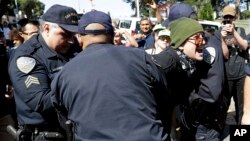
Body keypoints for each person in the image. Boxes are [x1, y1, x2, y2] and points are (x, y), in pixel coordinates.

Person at [50, 10, 170, 141]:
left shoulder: (64, 73)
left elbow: (64, 118)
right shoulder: (141, 57)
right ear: (112, 35)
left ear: (79, 37)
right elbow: (165, 98)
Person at [8, 4, 79, 140]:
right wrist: (83, 89)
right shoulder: (27, 57)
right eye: (65, 34)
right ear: (46, 28)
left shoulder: (71, 47)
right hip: (46, 135)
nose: (71, 40)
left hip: (72, 130)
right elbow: (41, 101)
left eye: (73, 35)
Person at [221, 6, 248, 125]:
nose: (228, 20)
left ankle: (239, 130)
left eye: (230, 17)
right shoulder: (219, 32)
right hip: (226, 74)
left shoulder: (241, 30)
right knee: (223, 105)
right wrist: (222, 37)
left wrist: (234, 32)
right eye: (226, 18)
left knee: (241, 106)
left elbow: (244, 46)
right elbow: (224, 54)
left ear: (235, 17)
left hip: (241, 74)